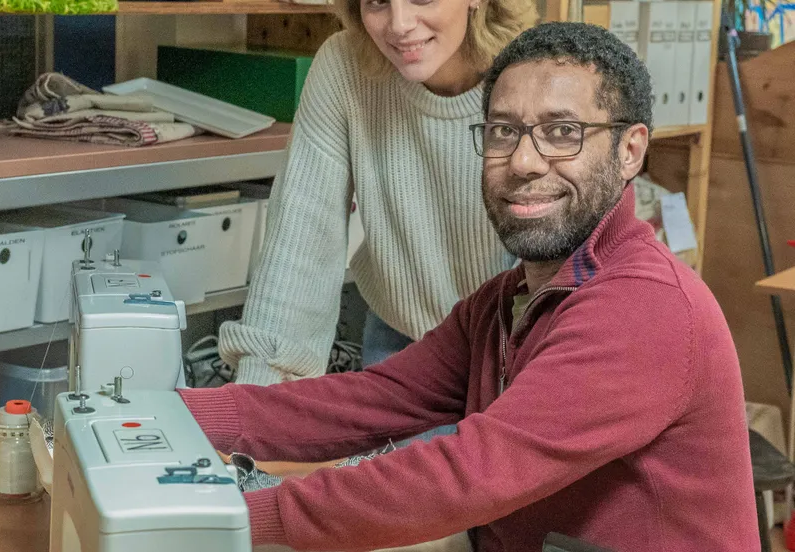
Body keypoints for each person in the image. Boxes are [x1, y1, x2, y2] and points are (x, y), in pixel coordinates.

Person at [180, 23, 759, 552]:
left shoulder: (642, 307)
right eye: (504, 131)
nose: (525, 160)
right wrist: (168, 415)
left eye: (562, 132)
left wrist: (237, 517)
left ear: (630, 150)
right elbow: (369, 402)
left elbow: (468, 472)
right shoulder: (508, 299)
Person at [219, 0, 538, 385]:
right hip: (404, 345)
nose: (399, 24)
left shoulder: (538, 74)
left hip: (523, 353)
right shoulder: (344, 66)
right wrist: (255, 410)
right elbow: (300, 245)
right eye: (377, 2)